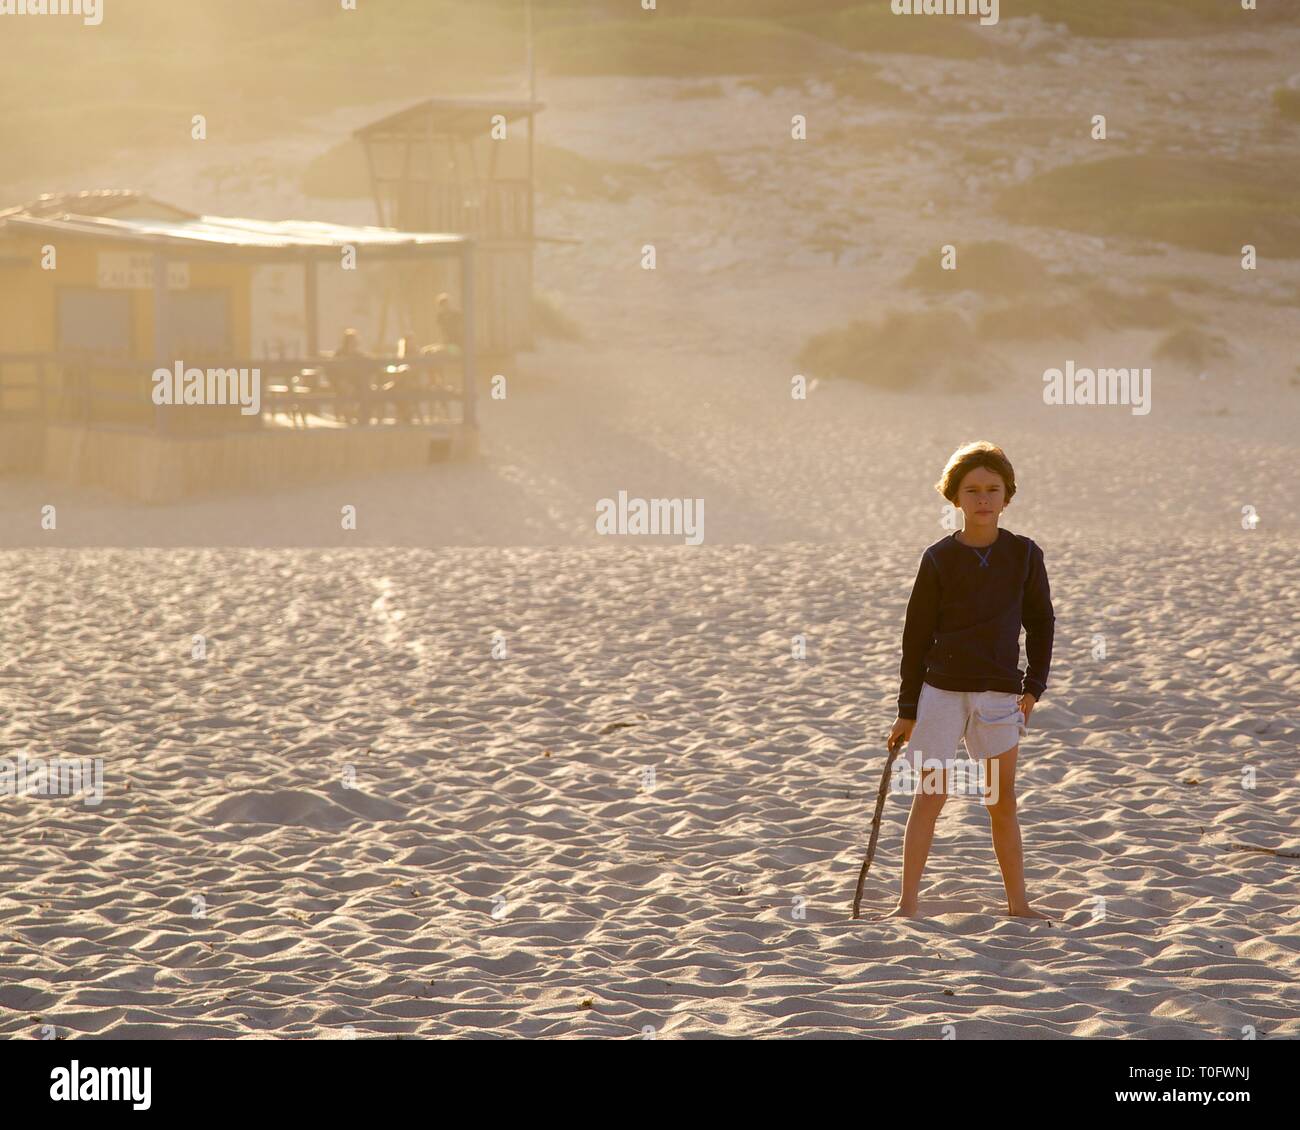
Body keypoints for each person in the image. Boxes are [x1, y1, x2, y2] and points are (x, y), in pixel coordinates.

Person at [883, 441, 1055, 921]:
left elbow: (1041, 623)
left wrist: (1033, 687)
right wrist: (907, 710)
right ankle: (907, 904)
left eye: (992, 490)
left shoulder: (1024, 555)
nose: (983, 499)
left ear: (1007, 496)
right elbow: (914, 637)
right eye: (972, 490)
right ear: (955, 498)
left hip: (1000, 693)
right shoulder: (938, 559)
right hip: (941, 694)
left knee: (1000, 801)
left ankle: (1019, 905)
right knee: (931, 796)